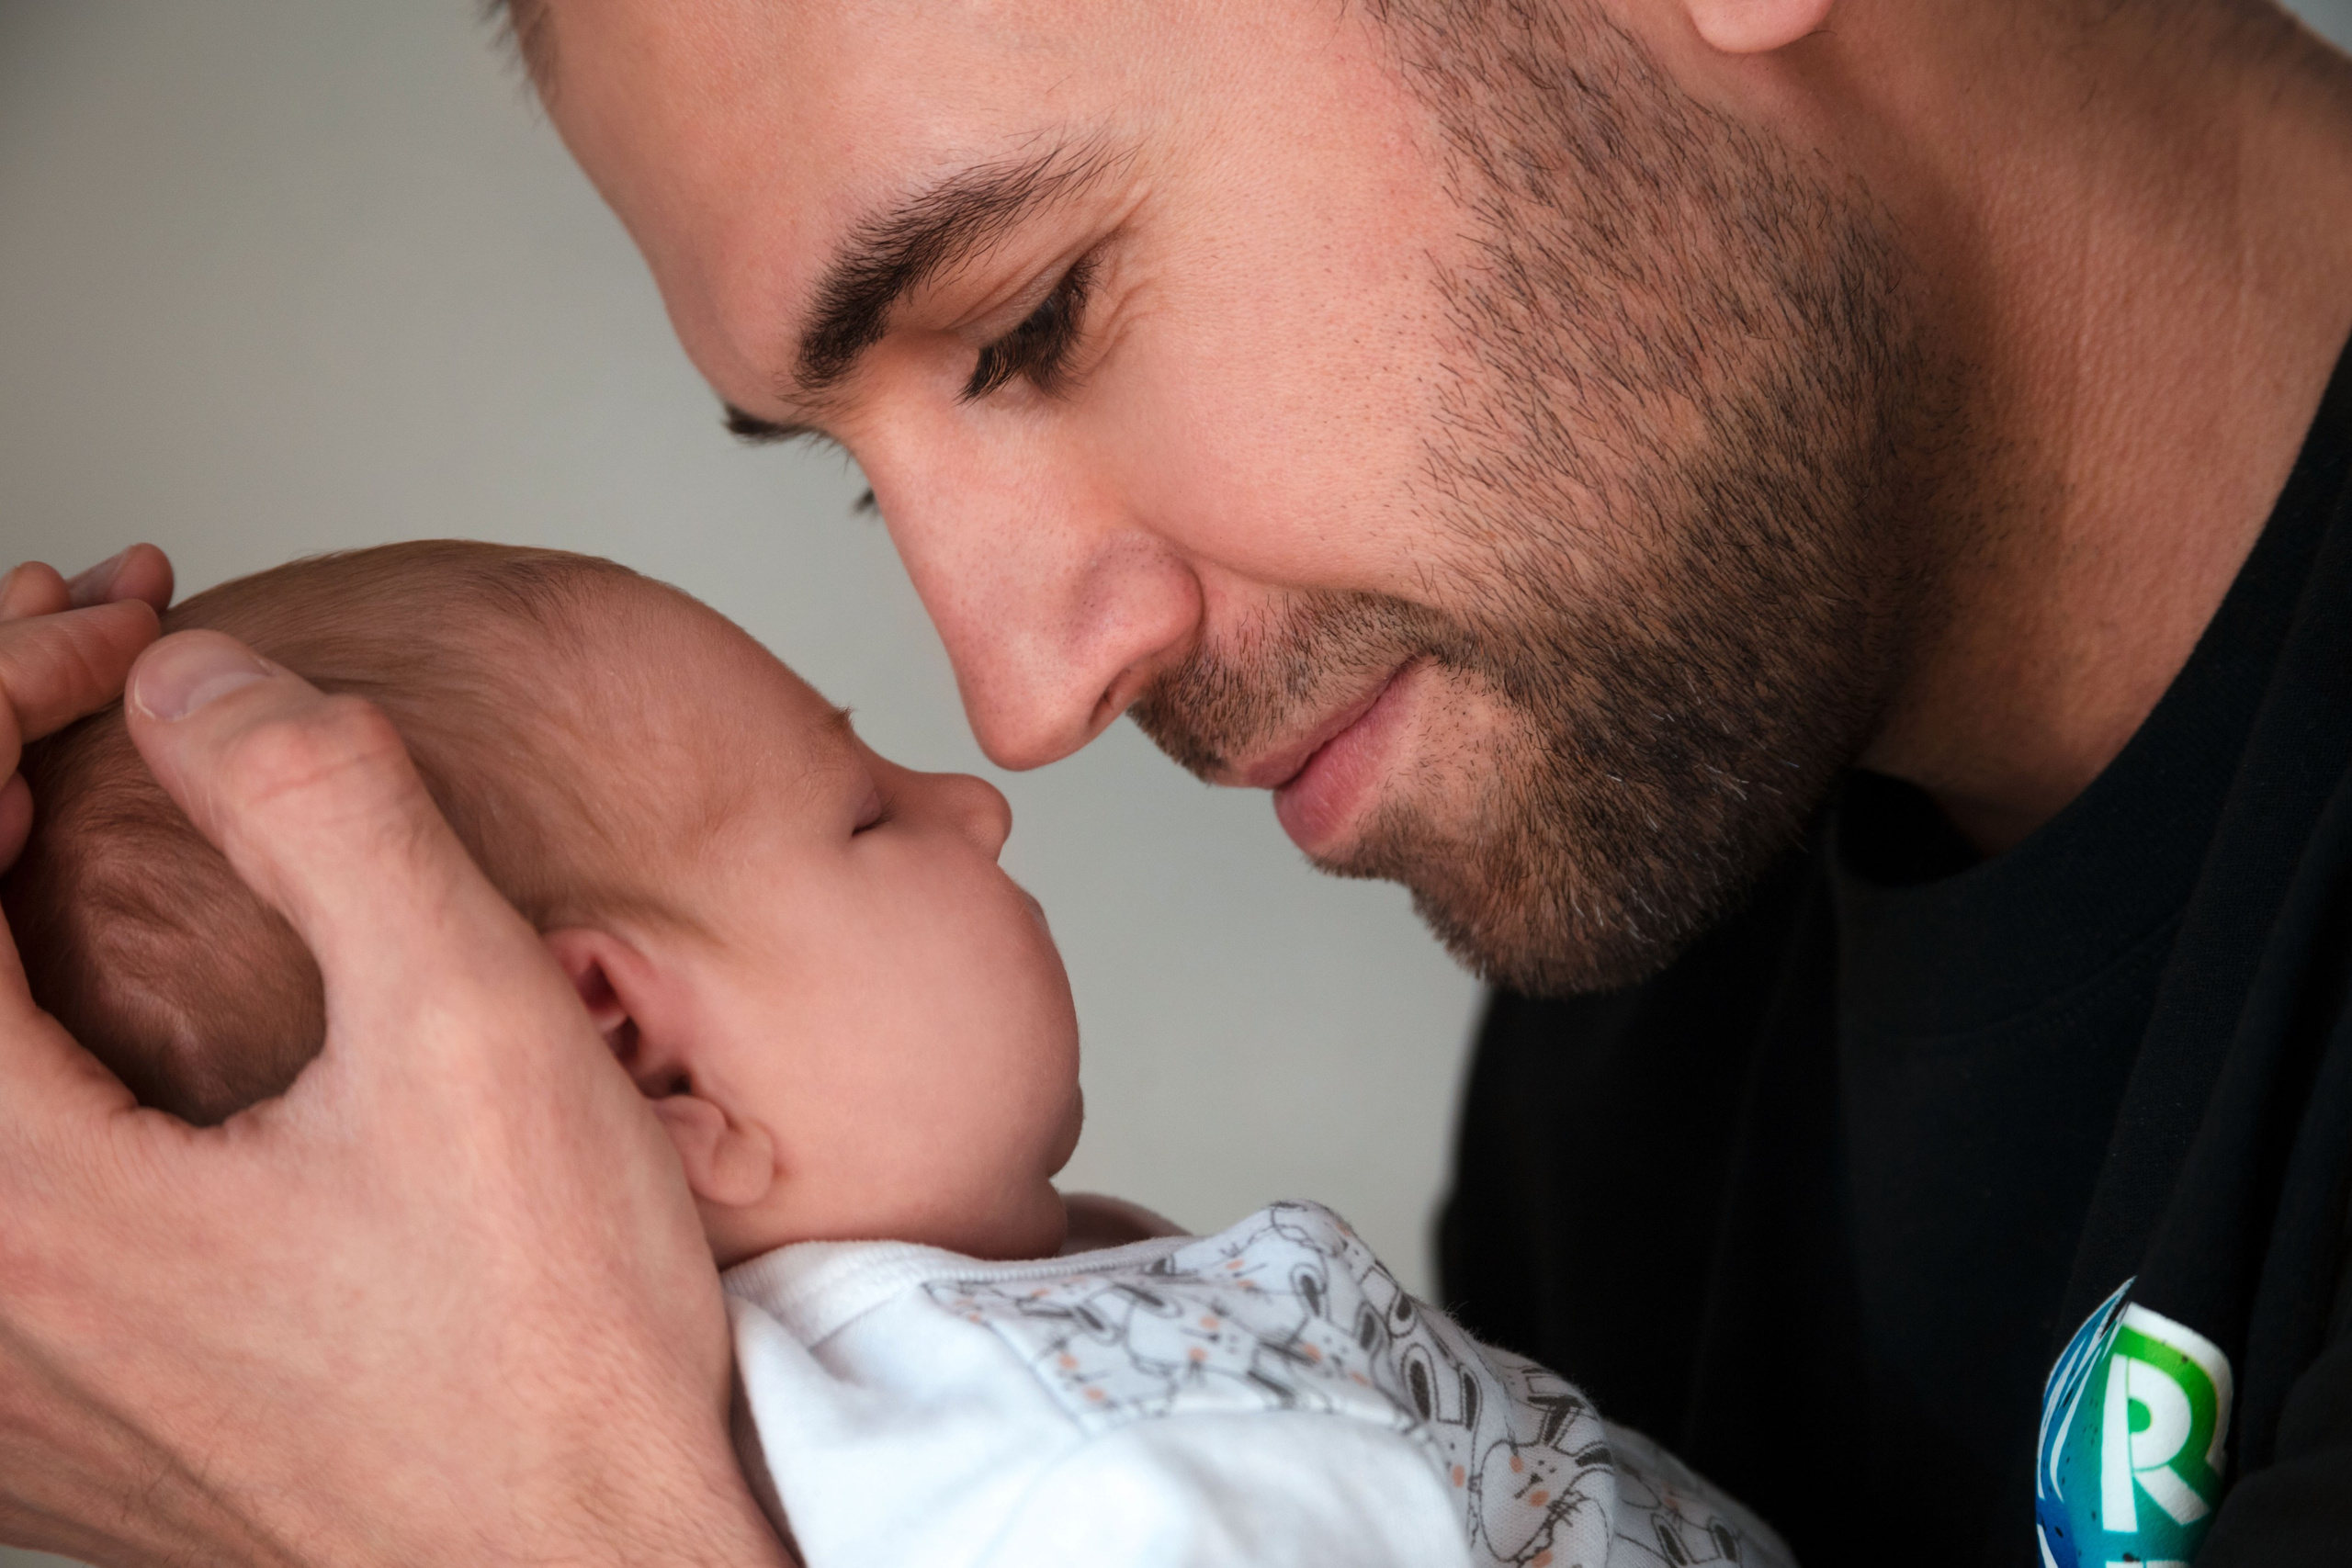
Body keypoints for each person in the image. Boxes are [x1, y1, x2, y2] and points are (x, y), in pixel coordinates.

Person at [3, 0, 2349, 1563]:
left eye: (1031, 317)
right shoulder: (1649, 998)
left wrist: (509, 1513)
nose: (1019, 696)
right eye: (854, 473)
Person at [6, 539, 1794, 1568]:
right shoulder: (1071, 1484)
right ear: (643, 1056)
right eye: (862, 813)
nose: (980, 795)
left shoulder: (964, 1380)